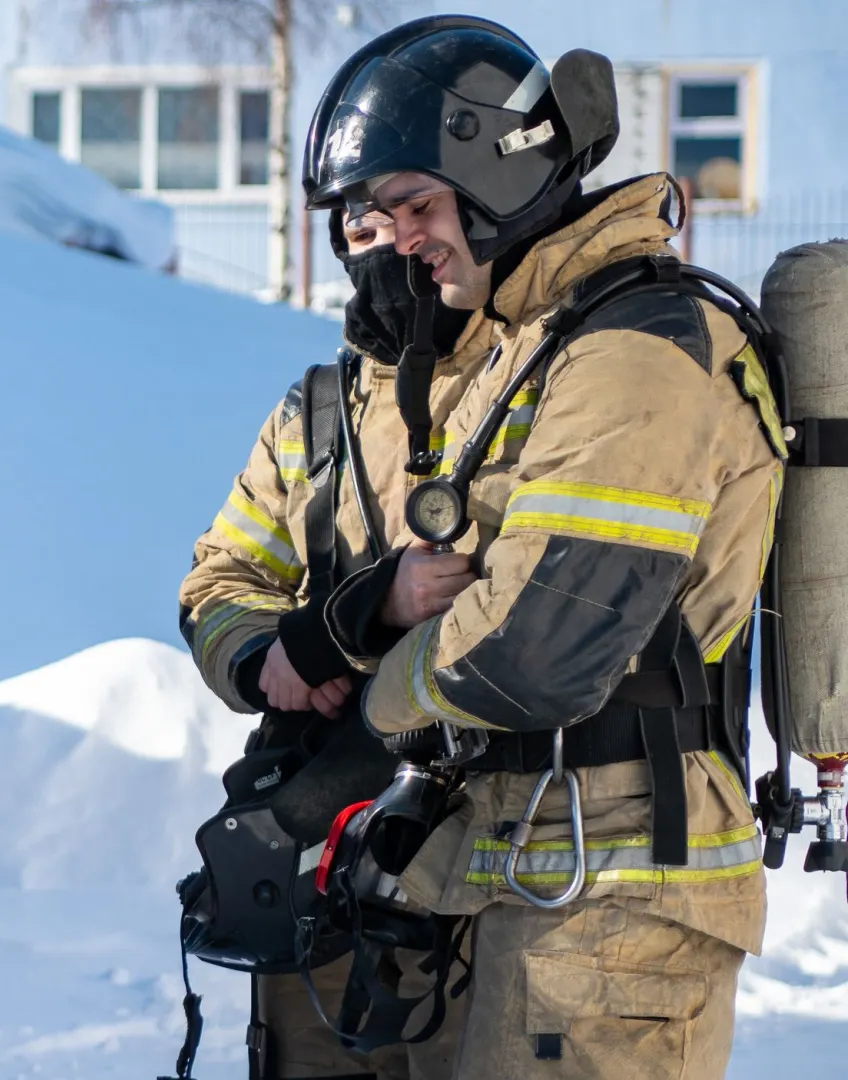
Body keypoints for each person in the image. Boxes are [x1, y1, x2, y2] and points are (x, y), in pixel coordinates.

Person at [306, 15, 776, 1077]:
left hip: (616, 903)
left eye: (417, 206)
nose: (403, 242)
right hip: (541, 872)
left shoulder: (637, 350)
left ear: (500, 180)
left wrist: (385, 695)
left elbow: (533, 647)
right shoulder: (544, 344)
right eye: (378, 220)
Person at [179, 206, 490, 1079]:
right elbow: (220, 580)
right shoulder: (314, 414)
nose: (389, 249)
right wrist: (267, 659)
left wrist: (346, 631)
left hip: (481, 861)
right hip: (319, 859)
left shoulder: (532, 384)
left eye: (412, 216)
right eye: (361, 231)